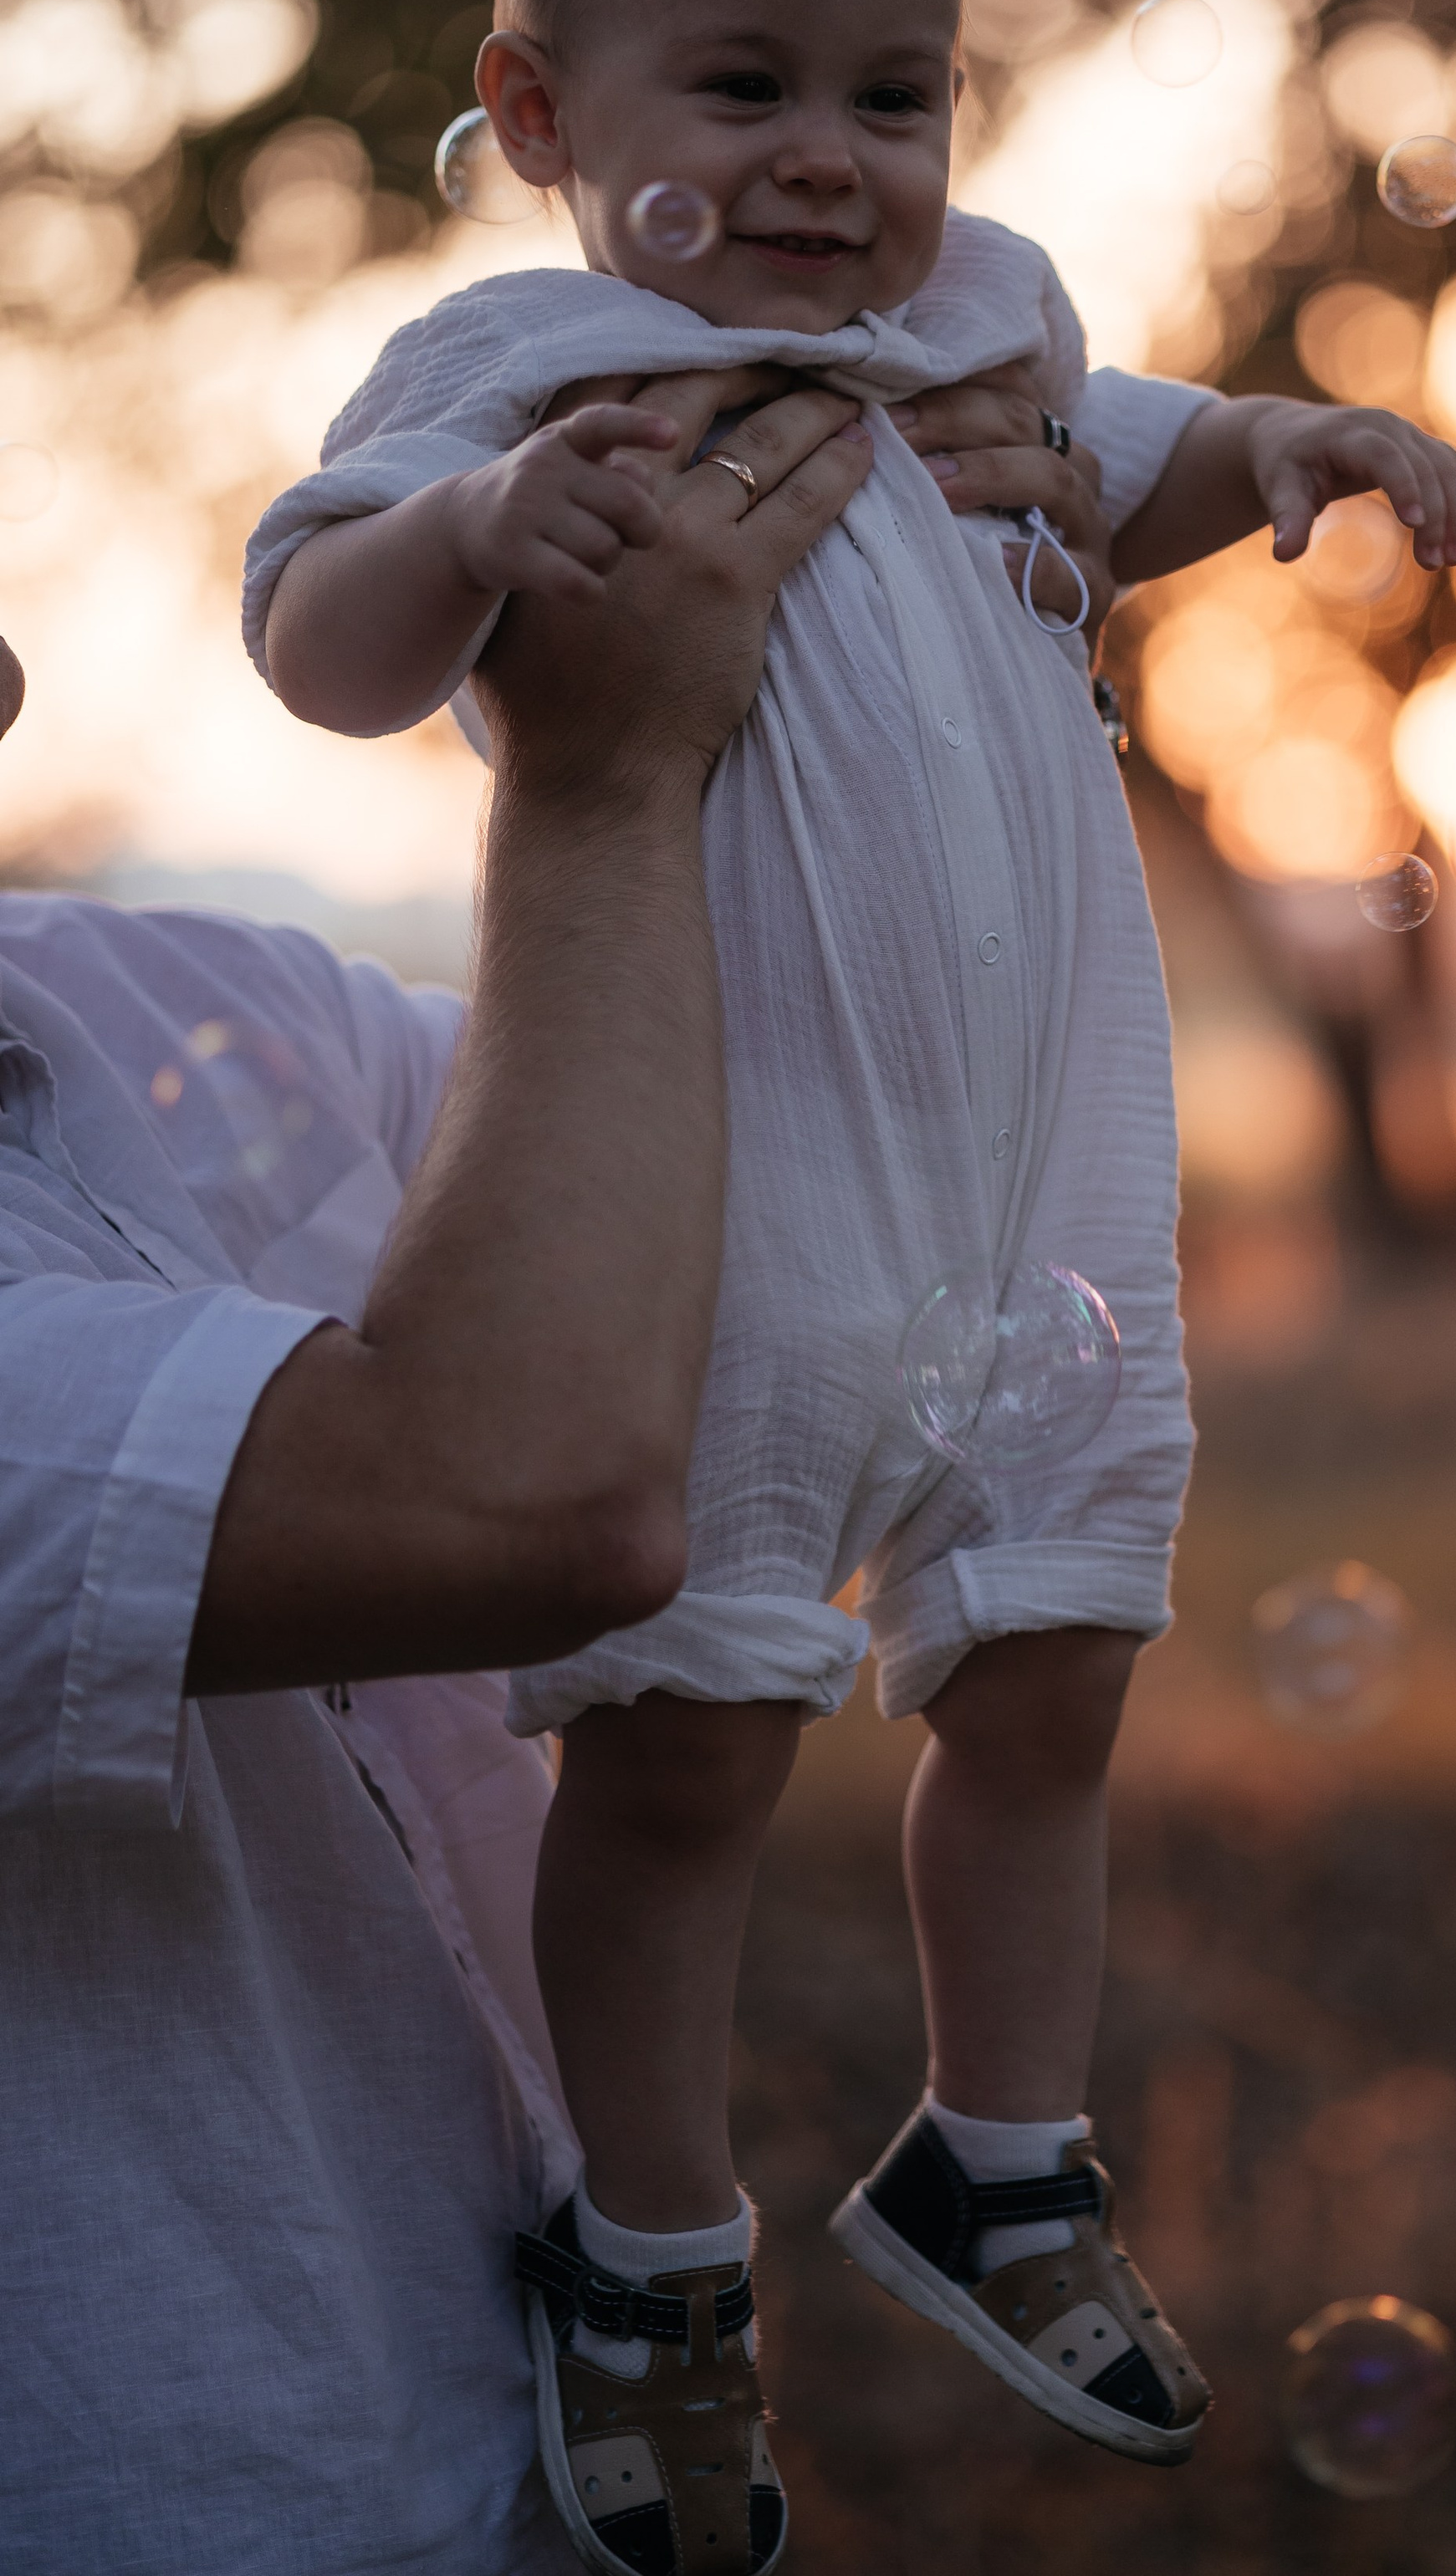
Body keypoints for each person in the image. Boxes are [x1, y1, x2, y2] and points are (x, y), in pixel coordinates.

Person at [244, 0, 1456, 2574]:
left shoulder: (984, 318)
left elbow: (1137, 462)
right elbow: (316, 625)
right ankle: (650, 2254)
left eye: (898, 92)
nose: (835, 160)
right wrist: (482, 540)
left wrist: (1276, 451)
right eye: (749, 87)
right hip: (726, 1183)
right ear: (543, 115)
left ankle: (995, 2151)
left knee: (1053, 1656)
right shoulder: (529, 360)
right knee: (683, 1736)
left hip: (1039, 1173)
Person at [0, 384, 879, 2575]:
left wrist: (928, 646)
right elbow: (537, 1491)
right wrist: (591, 773)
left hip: (529, 2475)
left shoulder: (169, 1008)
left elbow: (757, 1170)